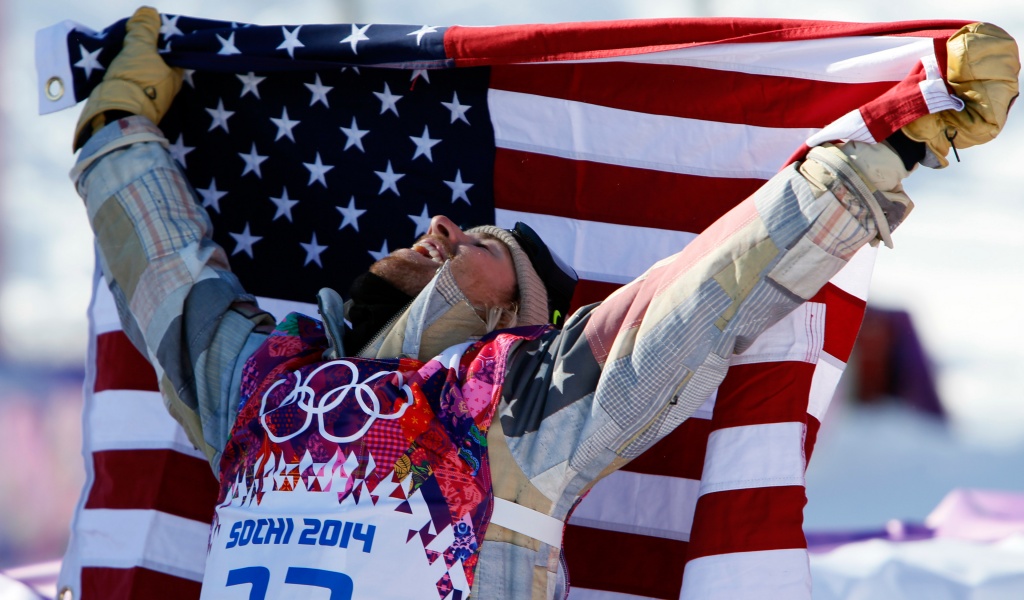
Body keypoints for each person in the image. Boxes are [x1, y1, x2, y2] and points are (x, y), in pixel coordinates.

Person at [69, 7, 1018, 599]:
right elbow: (165, 274)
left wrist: (890, 141)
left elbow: (697, 304)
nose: (444, 228)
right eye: (432, 240)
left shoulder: (510, 418)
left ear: (516, 332)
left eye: (489, 248)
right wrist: (115, 127)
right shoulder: (261, 390)